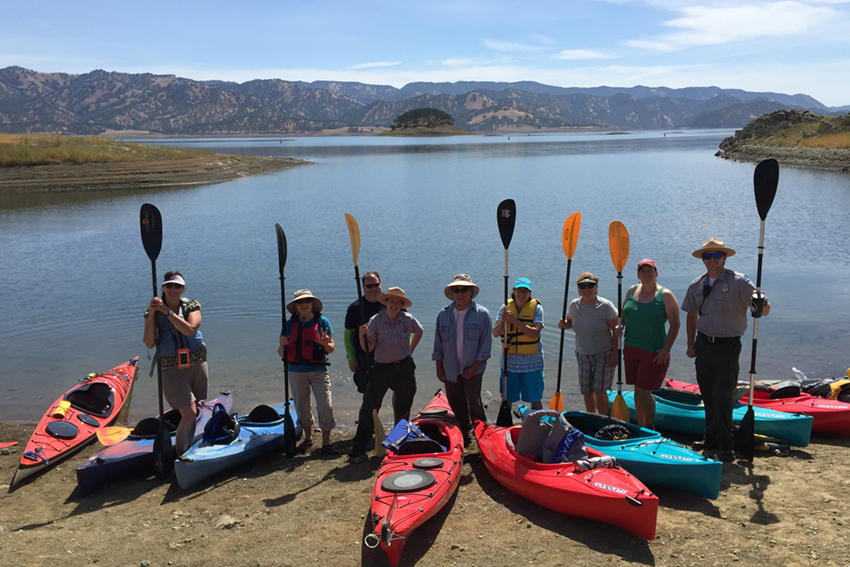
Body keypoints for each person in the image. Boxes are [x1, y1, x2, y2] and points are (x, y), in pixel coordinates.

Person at [682, 237, 770, 462]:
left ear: (724, 257)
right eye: (707, 256)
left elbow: (763, 308)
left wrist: (762, 303)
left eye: (716, 255)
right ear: (703, 259)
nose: (711, 260)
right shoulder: (697, 285)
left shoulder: (739, 281)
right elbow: (691, 315)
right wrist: (690, 344)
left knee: (722, 395)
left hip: (727, 346)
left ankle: (725, 444)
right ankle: (710, 438)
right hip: (703, 344)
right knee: (708, 395)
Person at [349, 287, 424, 461]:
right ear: (386, 302)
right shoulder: (375, 321)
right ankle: (359, 445)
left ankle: (401, 441)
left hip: (404, 367)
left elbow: (419, 331)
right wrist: (361, 336)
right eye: (392, 301)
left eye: (398, 302)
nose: (394, 304)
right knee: (370, 405)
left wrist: (410, 350)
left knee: (404, 405)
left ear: (401, 305)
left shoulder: (408, 319)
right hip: (382, 368)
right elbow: (369, 348)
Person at [143, 271, 208, 456]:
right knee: (189, 413)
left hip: (196, 362)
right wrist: (152, 316)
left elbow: (190, 330)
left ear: (183, 289)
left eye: (177, 286)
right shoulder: (152, 312)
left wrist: (168, 312)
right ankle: (181, 456)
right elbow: (149, 343)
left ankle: (186, 441)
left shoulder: (192, 305)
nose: (173, 289)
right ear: (162, 287)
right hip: (171, 369)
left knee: (195, 408)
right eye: (169, 285)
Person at [621, 259, 681, 430]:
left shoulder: (665, 295)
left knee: (643, 392)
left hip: (653, 352)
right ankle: (641, 427)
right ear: (638, 275)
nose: (646, 274)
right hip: (631, 348)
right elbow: (624, 313)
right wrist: (620, 325)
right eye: (643, 271)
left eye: (650, 271)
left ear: (656, 273)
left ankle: (650, 427)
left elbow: (675, 324)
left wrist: (666, 349)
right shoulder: (632, 290)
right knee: (636, 392)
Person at [432, 274, 491, 443]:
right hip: (449, 368)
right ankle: (465, 434)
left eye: (464, 289)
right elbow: (438, 345)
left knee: (474, 403)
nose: (460, 293)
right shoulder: (443, 314)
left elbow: (485, 347)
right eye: (456, 290)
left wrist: (474, 368)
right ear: (452, 293)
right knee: (456, 403)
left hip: (473, 368)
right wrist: (439, 367)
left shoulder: (482, 314)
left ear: (471, 291)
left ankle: (483, 437)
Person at [278, 289, 337, 455]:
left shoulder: (323, 322)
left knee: (326, 405)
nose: (304, 305)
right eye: (300, 302)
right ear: (296, 306)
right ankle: (308, 439)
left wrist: (326, 343)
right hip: (296, 370)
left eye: (307, 301)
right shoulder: (288, 325)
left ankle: (326, 442)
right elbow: (281, 353)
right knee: (302, 406)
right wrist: (281, 345)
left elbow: (331, 349)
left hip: (319, 370)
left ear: (312, 304)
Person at [558, 272, 619, 414]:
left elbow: (616, 332)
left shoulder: (606, 306)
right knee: (586, 390)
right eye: (583, 286)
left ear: (596, 288)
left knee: (600, 390)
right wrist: (564, 324)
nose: (587, 289)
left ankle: (603, 419)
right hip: (582, 354)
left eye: (590, 286)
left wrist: (615, 354)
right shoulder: (574, 305)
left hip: (604, 354)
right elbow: (570, 323)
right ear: (579, 289)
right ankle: (591, 417)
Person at [492, 278, 545, 413]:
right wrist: (503, 319)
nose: (522, 293)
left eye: (525, 291)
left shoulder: (537, 309)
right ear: (514, 291)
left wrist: (513, 320)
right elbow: (495, 333)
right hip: (509, 363)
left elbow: (534, 333)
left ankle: (538, 423)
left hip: (532, 363)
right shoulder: (504, 308)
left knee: (535, 397)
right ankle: (503, 424)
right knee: (506, 397)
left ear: (530, 293)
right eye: (519, 290)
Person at [344, 271, 383, 394]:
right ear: (363, 287)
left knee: (400, 392)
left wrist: (407, 349)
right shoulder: (354, 308)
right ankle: (371, 413)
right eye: (369, 286)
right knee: (368, 393)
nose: (373, 289)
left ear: (381, 284)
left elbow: (407, 328)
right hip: (364, 358)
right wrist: (351, 358)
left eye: (376, 285)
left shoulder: (391, 303)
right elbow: (347, 336)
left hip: (390, 356)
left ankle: (398, 414)